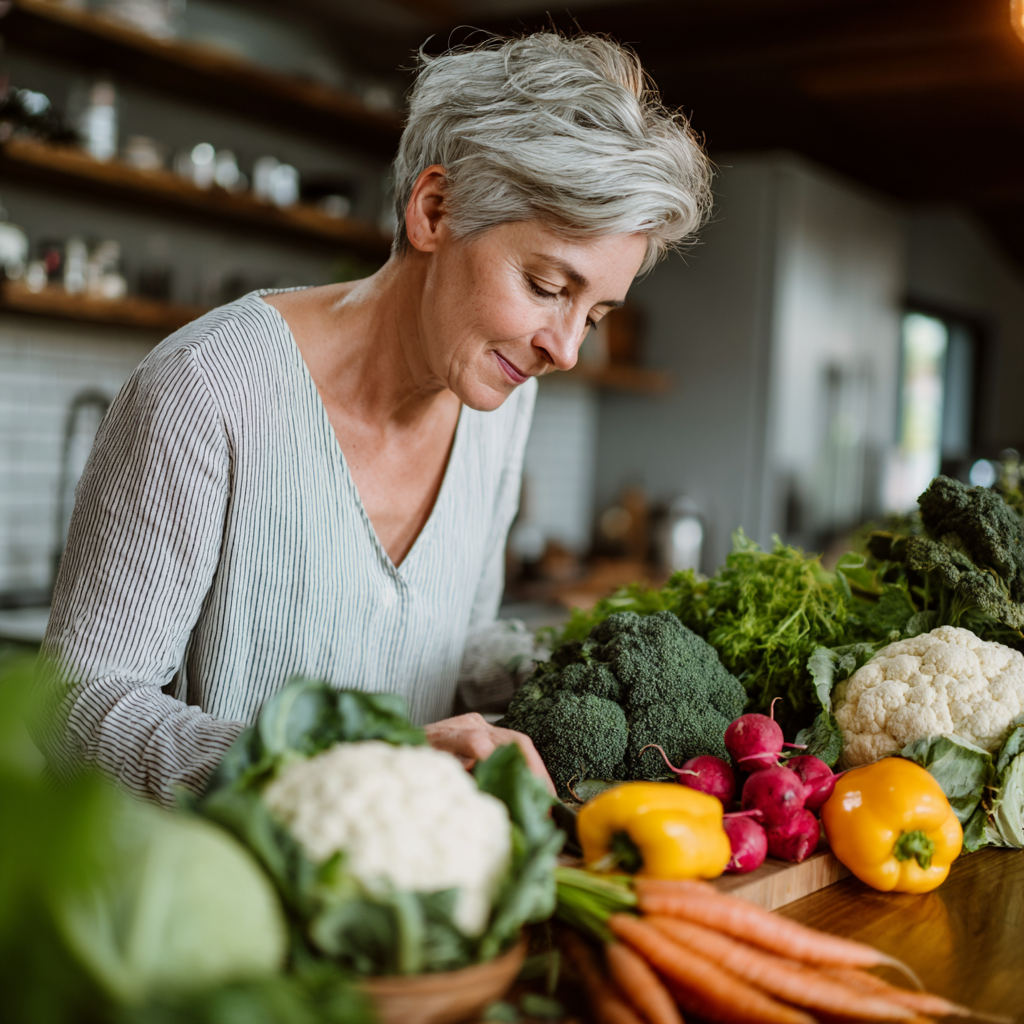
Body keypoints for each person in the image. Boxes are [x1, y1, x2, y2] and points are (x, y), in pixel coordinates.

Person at [39, 32, 711, 806]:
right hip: (209, 908)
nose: (564, 349)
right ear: (434, 210)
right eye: (546, 284)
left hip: (409, 894)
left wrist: (570, 669)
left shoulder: (501, 398)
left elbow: (446, 641)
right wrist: (346, 760)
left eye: (594, 314)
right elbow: (77, 707)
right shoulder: (207, 390)